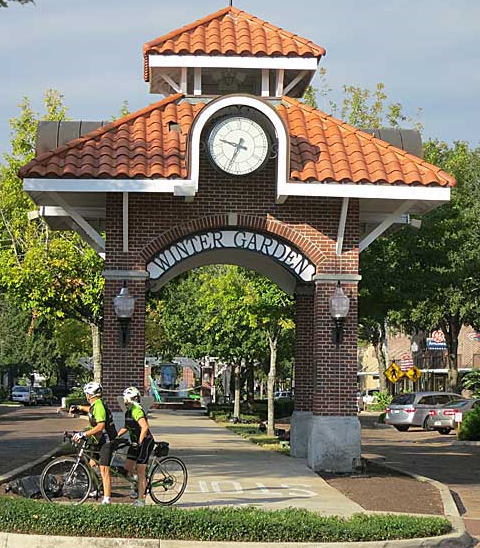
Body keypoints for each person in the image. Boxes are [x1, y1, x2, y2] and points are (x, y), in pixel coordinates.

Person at [69, 381, 117, 505]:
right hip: (98, 441)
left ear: (89, 395)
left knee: (104, 470)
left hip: (106, 441)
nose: (86, 396)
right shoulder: (95, 405)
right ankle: (96, 488)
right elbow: (90, 410)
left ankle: (106, 499)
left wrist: (83, 434)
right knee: (91, 464)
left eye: (86, 394)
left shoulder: (99, 406)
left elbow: (100, 426)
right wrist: (78, 407)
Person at [116, 386, 154, 507]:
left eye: (125, 399)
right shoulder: (128, 411)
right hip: (134, 442)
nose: (124, 401)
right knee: (128, 469)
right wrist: (115, 436)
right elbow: (126, 427)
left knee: (140, 470)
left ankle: (141, 500)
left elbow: (145, 427)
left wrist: (139, 441)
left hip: (145, 442)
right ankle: (136, 486)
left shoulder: (137, 411)